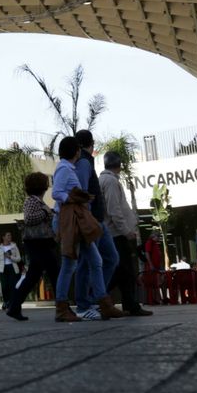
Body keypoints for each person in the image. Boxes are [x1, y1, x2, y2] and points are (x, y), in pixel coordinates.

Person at [53, 135, 117, 321]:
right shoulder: (64, 168)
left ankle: (103, 304)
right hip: (71, 222)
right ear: (76, 151)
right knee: (70, 264)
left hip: (76, 221)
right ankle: (63, 307)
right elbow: (56, 192)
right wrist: (73, 198)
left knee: (95, 261)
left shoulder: (67, 168)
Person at [71, 129, 121, 314]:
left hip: (97, 220)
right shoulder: (84, 162)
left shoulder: (84, 161)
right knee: (89, 262)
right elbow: (82, 191)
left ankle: (93, 299)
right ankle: (87, 302)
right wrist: (88, 217)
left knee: (107, 258)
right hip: (92, 220)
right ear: (91, 145)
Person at [100, 150, 153, 316]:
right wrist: (126, 230)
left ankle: (128, 304)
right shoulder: (110, 181)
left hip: (113, 233)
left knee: (121, 271)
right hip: (116, 233)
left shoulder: (105, 179)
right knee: (123, 270)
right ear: (119, 165)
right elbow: (114, 210)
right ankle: (100, 298)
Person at [5, 172, 57, 321]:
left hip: (39, 242)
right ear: (42, 186)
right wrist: (45, 212)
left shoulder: (37, 201)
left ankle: (14, 306)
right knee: (54, 272)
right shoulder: (32, 201)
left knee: (33, 276)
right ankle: (63, 305)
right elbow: (29, 219)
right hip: (37, 242)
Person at [0, 231, 22, 313]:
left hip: (12, 268)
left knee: (12, 286)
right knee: (4, 286)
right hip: (2, 269)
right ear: (3, 237)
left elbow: (19, 259)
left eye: (10, 235)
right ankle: (6, 301)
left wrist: (10, 257)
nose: (10, 237)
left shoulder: (14, 246)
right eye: (8, 235)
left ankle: (11, 302)